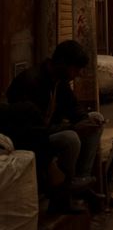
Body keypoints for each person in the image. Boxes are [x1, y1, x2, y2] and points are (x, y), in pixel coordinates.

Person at [6, 40, 104, 211]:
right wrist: (72, 128)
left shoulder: (59, 81)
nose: (78, 74)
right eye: (75, 69)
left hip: (48, 132)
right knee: (71, 138)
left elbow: (72, 107)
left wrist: (85, 120)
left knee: (95, 119)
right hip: (29, 139)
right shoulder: (31, 82)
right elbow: (31, 130)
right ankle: (62, 198)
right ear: (62, 64)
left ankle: (80, 182)